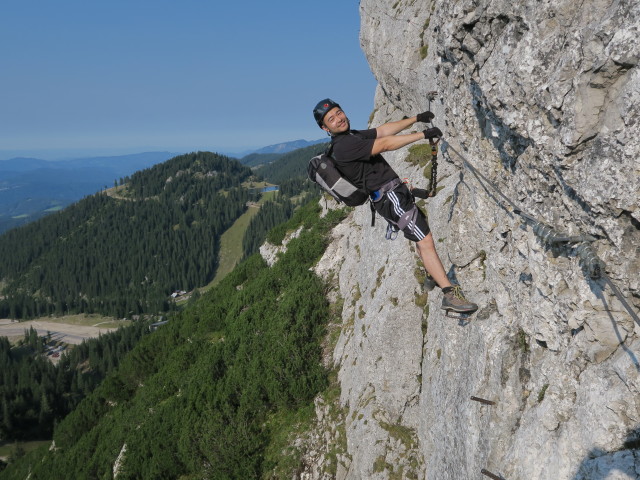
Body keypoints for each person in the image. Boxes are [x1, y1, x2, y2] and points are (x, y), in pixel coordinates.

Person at [312, 98, 478, 315]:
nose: (339, 119)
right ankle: (449, 294)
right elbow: (385, 144)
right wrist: (423, 135)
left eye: (338, 112)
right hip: (390, 198)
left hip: (393, 194)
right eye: (331, 119)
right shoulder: (344, 145)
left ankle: (432, 273)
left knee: (421, 233)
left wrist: (416, 119)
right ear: (326, 128)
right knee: (424, 238)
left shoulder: (351, 136)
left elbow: (381, 131)